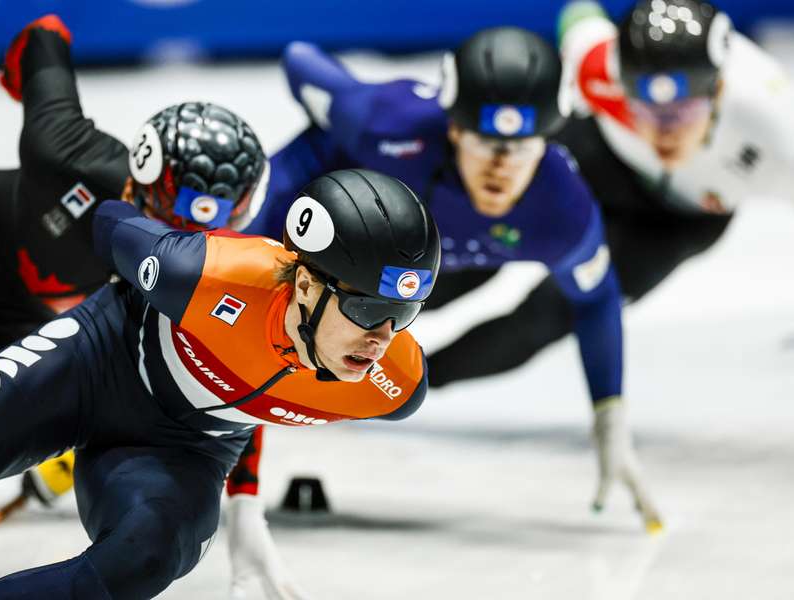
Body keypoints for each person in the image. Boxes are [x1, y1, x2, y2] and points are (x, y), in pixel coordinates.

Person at [0, 14, 301, 597]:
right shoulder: (68, 154)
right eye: (169, 219)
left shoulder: (223, 269)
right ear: (136, 181)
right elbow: (42, 33)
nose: (181, 250)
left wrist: (244, 503)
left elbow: (241, 378)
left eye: (209, 230)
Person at [0, 164, 440, 597]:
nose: (384, 336)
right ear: (305, 285)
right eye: (367, 309)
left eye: (405, 311)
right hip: (92, 363)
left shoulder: (393, 385)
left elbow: (261, 391)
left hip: (182, 450)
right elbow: (110, 220)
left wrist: (245, 506)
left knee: (143, 560)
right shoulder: (205, 273)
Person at [244, 27, 662, 529]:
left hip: (419, 252)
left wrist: (608, 415)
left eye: (521, 145)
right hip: (317, 214)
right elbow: (299, 56)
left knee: (471, 331)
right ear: (455, 128)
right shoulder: (390, 125)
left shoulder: (563, 211)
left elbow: (596, 301)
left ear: (550, 139)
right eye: (487, 142)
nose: (501, 166)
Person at [431, 0, 794, 449]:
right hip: (598, 160)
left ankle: (403, 387)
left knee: (551, 315)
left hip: (677, 222)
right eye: (641, 109)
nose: (663, 133)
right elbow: (579, 13)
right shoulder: (596, 66)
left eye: (682, 114)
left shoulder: (776, 130)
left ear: (719, 91)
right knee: (467, 257)